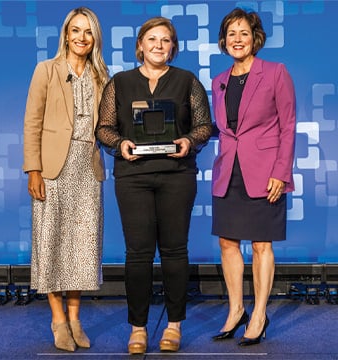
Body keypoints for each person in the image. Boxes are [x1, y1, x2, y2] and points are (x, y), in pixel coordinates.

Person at [97, 16, 212, 354]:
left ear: (173, 47)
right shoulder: (119, 82)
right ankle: (138, 328)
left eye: (165, 40)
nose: (158, 45)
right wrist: (120, 145)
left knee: (175, 251)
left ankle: (174, 325)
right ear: (140, 46)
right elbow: (103, 128)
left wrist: (189, 141)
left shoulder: (187, 81)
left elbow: (205, 126)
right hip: (132, 177)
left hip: (177, 175)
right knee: (138, 254)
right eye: (152, 39)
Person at [23, 7, 109, 352]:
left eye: (88, 32)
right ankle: (58, 319)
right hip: (53, 169)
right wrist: (33, 169)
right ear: (66, 34)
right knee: (52, 244)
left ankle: (75, 318)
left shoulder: (102, 76)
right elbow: (32, 123)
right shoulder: (46, 70)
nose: (81, 38)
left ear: (94, 38)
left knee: (82, 247)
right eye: (75, 31)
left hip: (88, 169)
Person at [211, 8, 296, 346]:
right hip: (227, 170)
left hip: (264, 172)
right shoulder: (219, 81)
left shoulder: (276, 73)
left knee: (262, 244)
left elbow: (288, 126)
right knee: (227, 243)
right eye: (231, 33)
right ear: (223, 40)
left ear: (255, 38)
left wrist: (281, 172)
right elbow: (223, 130)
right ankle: (236, 310)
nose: (237, 39)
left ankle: (259, 314)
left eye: (243, 33)